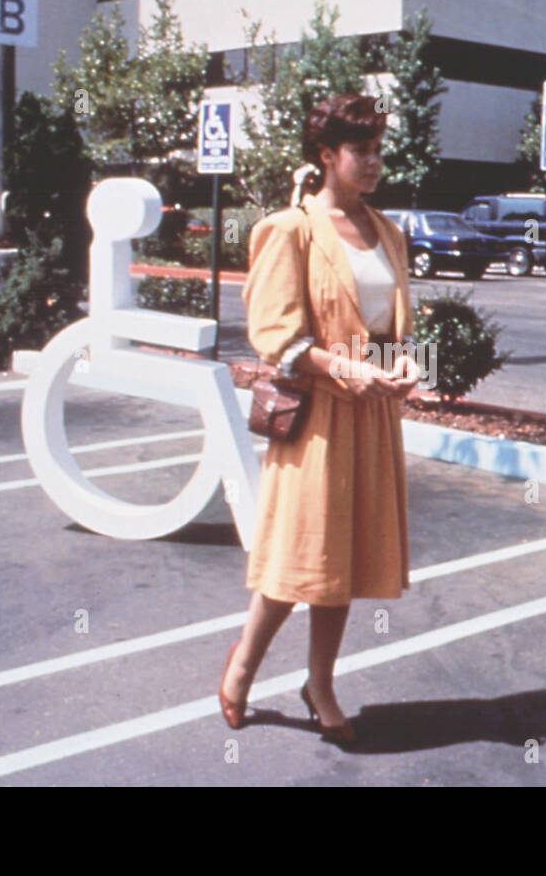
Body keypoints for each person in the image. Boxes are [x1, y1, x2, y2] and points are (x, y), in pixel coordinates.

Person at [219, 93, 422, 742]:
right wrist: (346, 370)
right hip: (319, 421)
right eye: (360, 150)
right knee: (299, 556)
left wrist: (409, 365)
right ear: (327, 155)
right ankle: (242, 670)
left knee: (345, 560)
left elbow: (391, 326)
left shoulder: (387, 231)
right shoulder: (292, 229)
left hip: (372, 417)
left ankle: (320, 682)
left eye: (377, 150)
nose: (372, 162)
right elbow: (275, 336)